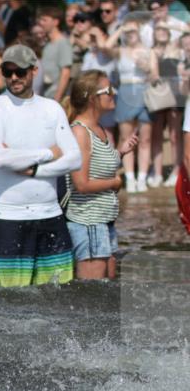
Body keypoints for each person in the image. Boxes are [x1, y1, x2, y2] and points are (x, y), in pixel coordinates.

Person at [0, 45, 81, 288]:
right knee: (9, 299)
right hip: (8, 216)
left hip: (51, 215)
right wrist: (48, 153)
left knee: (59, 296)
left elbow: (75, 159)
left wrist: (35, 169)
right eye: (8, 71)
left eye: (20, 71)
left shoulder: (52, 108)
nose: (14, 77)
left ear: (34, 70)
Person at [64, 70, 138, 280]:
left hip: (104, 220)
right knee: (92, 295)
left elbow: (97, 164)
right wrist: (114, 183)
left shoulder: (99, 129)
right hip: (88, 222)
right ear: (92, 98)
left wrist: (121, 152)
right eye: (108, 90)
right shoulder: (80, 132)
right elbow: (81, 183)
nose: (113, 93)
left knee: (108, 291)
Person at [107, 21, 155, 193]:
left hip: (144, 92)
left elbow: (155, 75)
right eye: (128, 31)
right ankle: (130, 178)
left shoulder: (149, 51)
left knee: (145, 139)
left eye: (133, 29)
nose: (130, 33)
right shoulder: (120, 51)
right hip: (126, 92)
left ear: (140, 31)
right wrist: (120, 28)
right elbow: (106, 45)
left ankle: (142, 178)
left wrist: (146, 66)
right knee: (126, 138)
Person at [149, 23, 182, 187]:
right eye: (158, 30)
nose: (161, 33)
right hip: (159, 95)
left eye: (164, 30)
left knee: (175, 136)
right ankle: (157, 172)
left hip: (176, 96)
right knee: (157, 135)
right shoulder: (152, 51)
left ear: (169, 32)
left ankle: (176, 171)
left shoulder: (177, 47)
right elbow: (153, 75)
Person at [37, 5, 72, 103]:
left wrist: (58, 97)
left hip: (55, 97)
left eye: (44, 20)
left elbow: (66, 72)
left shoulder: (63, 43)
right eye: (40, 20)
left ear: (56, 22)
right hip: (45, 95)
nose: (41, 23)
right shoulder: (47, 44)